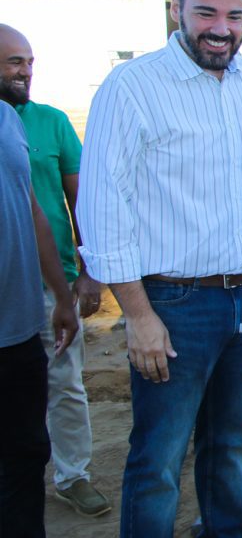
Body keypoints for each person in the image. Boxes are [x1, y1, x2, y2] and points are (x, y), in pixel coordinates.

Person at [76, 0, 242, 538]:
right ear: (176, 8)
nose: (222, 29)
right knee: (158, 458)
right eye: (206, 12)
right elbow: (103, 209)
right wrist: (138, 316)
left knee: (230, 444)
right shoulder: (132, 87)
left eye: (235, 16)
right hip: (172, 305)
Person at [0, 24, 111, 517]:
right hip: (10, 293)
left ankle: (73, 475)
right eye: (13, 62)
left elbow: (77, 201)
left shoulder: (50, 121)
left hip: (51, 283)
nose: (25, 71)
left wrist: (84, 276)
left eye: (28, 61)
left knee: (65, 384)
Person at [0, 100, 79, 538]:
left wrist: (63, 296)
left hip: (20, 327)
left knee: (26, 454)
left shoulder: (8, 120)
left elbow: (32, 211)